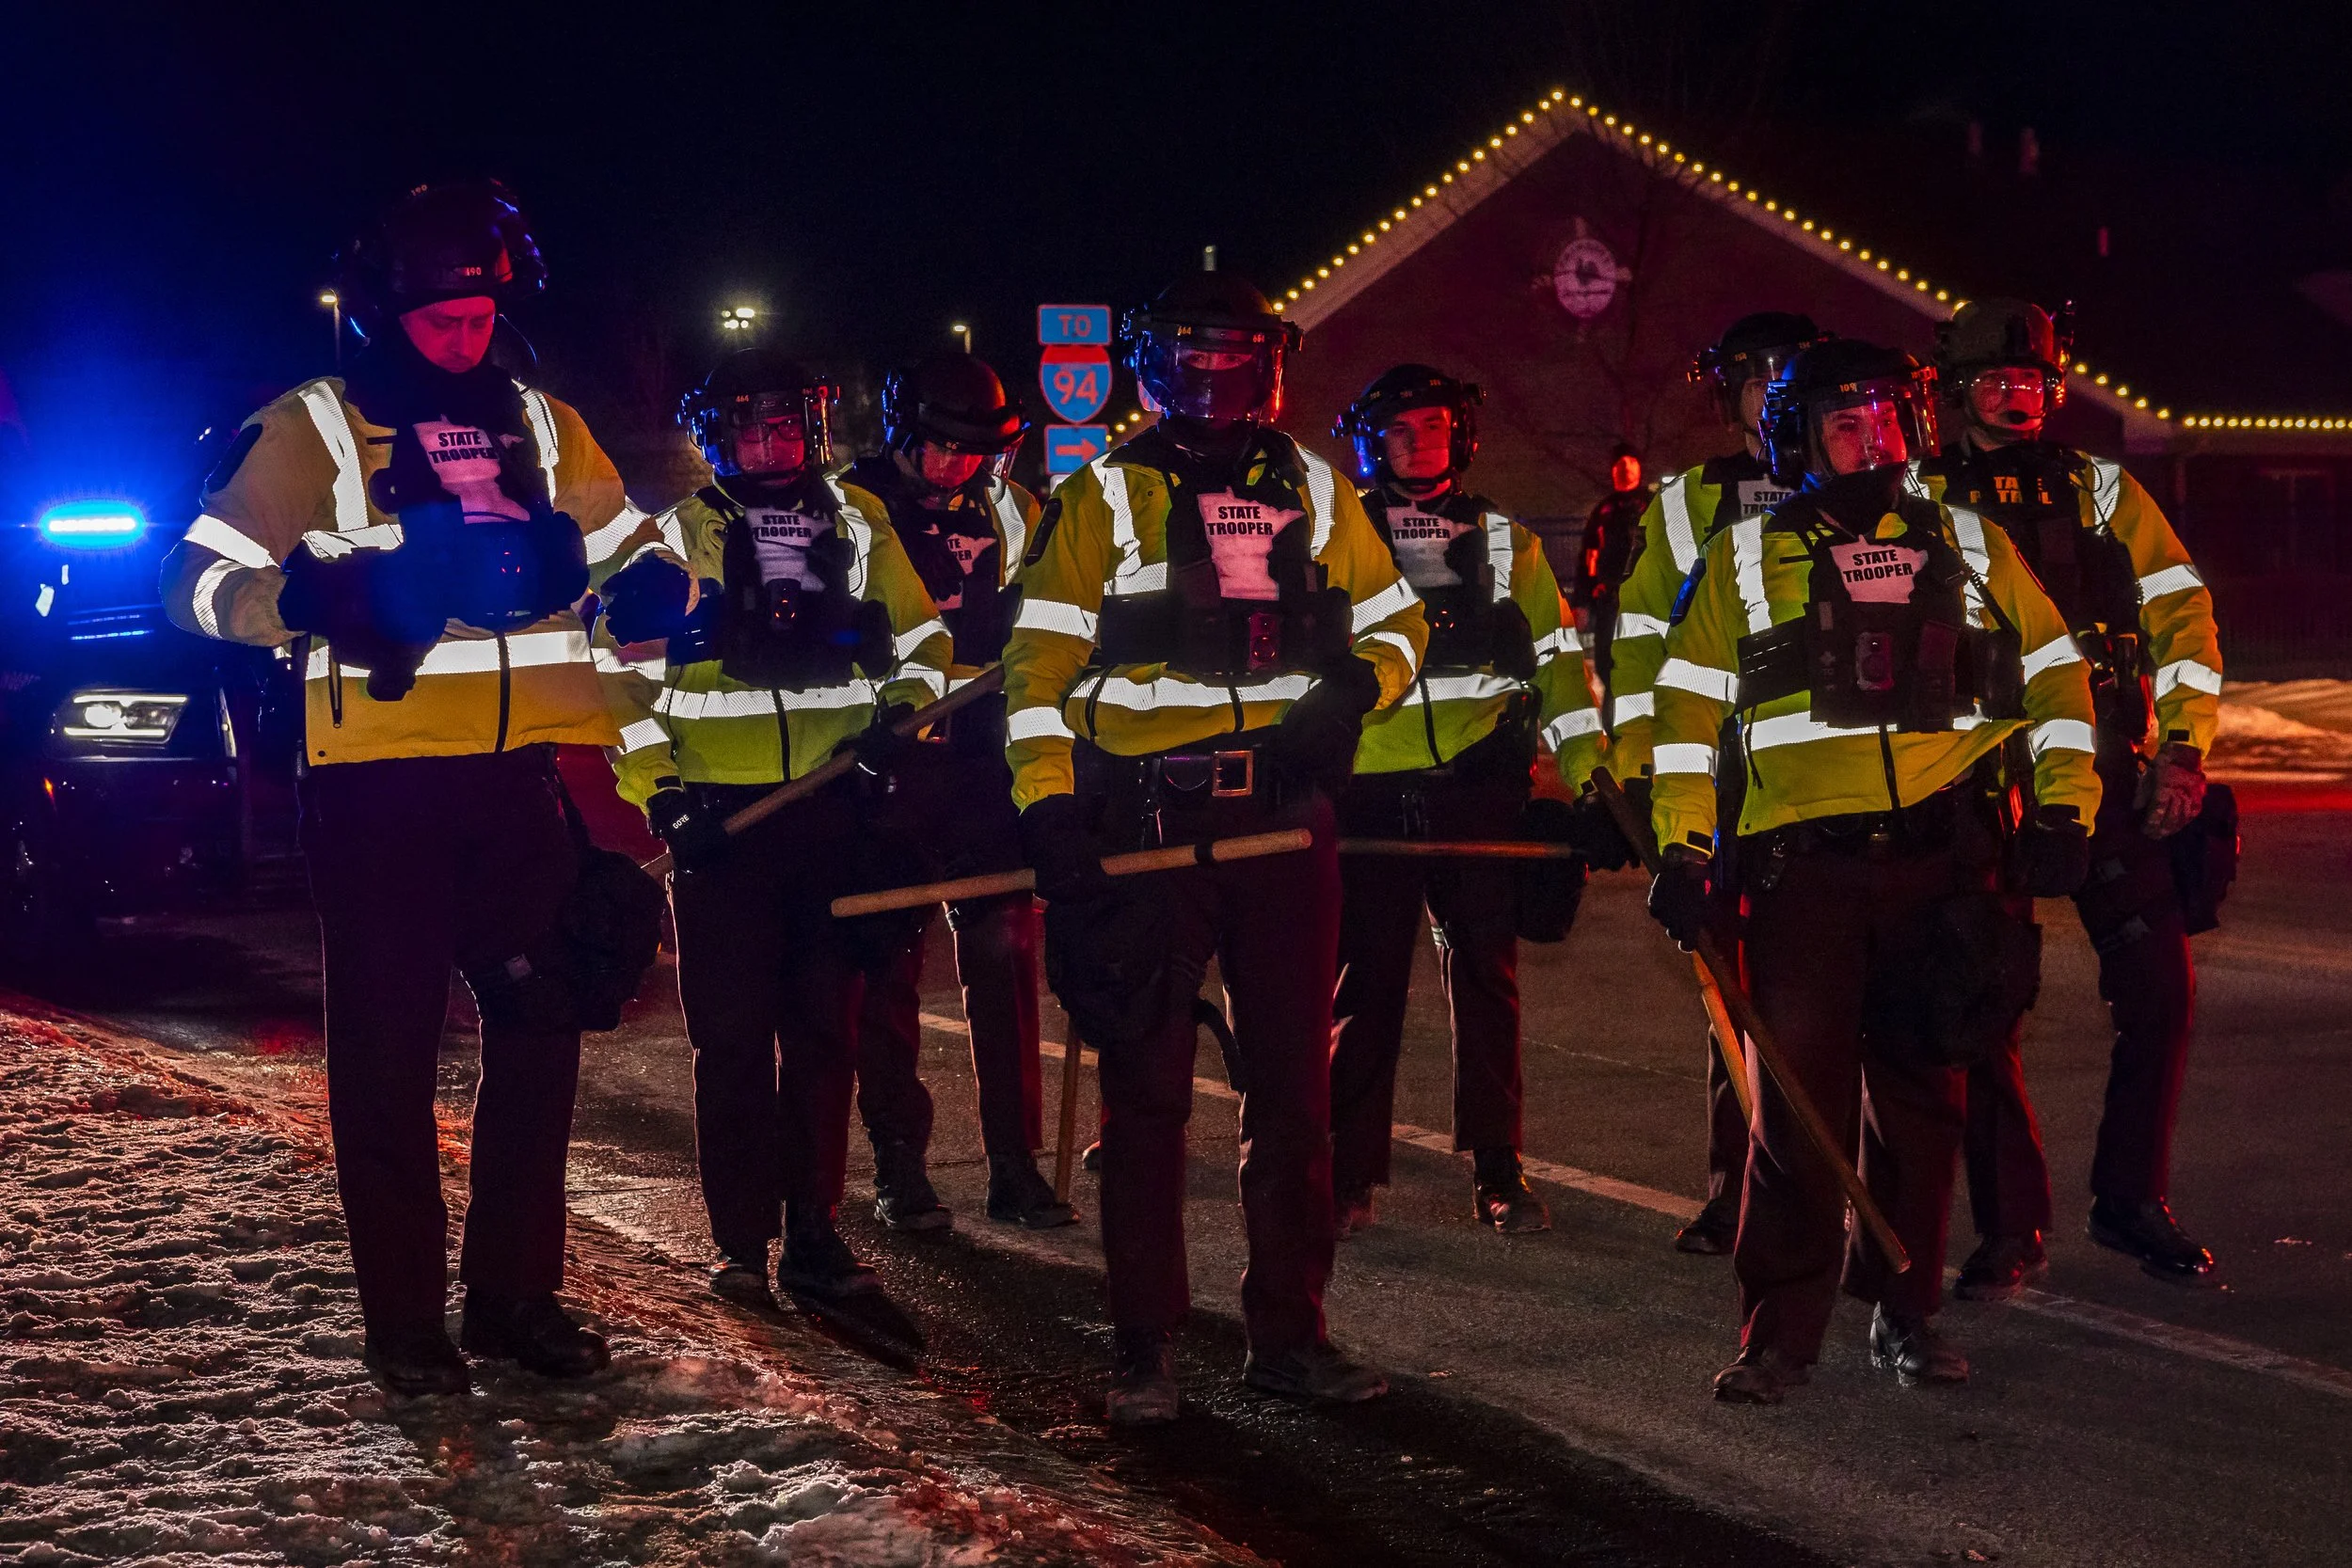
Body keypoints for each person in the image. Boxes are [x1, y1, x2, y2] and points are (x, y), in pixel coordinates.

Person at [161, 182, 674, 1396]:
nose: (464, 335)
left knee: (542, 1029)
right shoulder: (314, 431)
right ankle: (406, 1321)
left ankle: (513, 1296)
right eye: (440, 314)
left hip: (516, 784)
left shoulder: (545, 429)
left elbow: (632, 544)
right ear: (387, 310)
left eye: (483, 311)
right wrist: (309, 597)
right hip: (376, 794)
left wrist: (657, 590)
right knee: (385, 1064)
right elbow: (191, 577)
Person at [1001, 270, 1427, 1423]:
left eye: (1240, 355)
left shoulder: (1320, 489)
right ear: (1154, 368)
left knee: (1295, 1094)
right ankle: (1144, 1344)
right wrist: (1046, 806)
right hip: (1144, 820)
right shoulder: (1102, 497)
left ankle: (1288, 1333)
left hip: (1286, 823)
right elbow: (1035, 674)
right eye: (1195, 357)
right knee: (1144, 1100)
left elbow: (1398, 620)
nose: (1218, 376)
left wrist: (1355, 681)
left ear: (1270, 365)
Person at [1645, 339, 2100, 1402]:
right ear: (1797, 442)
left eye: (1886, 421)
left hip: (1946, 865)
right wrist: (1682, 844)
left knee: (1922, 1104)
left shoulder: (1970, 544)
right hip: (1802, 870)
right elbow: (1683, 714)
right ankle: (1778, 1334)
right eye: (1843, 425)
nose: (1870, 440)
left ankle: (1905, 1313)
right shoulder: (1747, 559)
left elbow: (2055, 676)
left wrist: (2066, 809)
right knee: (1795, 1108)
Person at [594, 348, 951, 1315]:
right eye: (753, 424)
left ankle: (816, 1233)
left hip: (833, 815)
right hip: (720, 829)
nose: (774, 440)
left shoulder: (860, 521)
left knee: (825, 1036)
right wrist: (661, 795)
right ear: (715, 436)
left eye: (789, 422)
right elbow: (616, 681)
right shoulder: (669, 543)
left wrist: (899, 721)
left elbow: (923, 645)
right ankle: (740, 1243)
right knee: (734, 1044)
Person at [1920, 299, 2226, 1292]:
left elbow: (2180, 610)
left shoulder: (2098, 486)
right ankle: (2011, 1226)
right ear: (1954, 391)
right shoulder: (1918, 493)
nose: (2016, 396)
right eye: (1994, 381)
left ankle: (2131, 1197)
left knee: (2159, 990)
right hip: (1982, 785)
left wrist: (2182, 749)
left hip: (2104, 772)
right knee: (1986, 1002)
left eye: (2031, 381)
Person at [1323, 364, 1605, 1234]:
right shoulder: (1339, 538)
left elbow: (1559, 664)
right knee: (1363, 985)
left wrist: (1590, 783)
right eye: (1403, 431)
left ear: (1465, 437)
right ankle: (1347, 1171)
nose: (1422, 445)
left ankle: (1497, 1167)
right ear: (1374, 443)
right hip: (1368, 789)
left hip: (1479, 788)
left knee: (1488, 977)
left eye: (1437, 429)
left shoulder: (1506, 541)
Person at [838, 352, 1075, 1232]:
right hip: (886, 762)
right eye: (941, 449)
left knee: (1006, 957)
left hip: (984, 762)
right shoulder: (848, 506)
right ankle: (902, 1166)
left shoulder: (1016, 510)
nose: (958, 468)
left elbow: (1056, 617)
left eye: (977, 453)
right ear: (902, 431)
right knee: (885, 970)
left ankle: (1014, 1165)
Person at [1612, 311, 1825, 1255]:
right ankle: (1732, 1186)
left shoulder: (1870, 489)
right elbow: (1638, 631)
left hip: (1833, 774)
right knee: (1726, 986)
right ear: (1728, 391)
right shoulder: (1691, 499)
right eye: (1757, 378)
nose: (1775, 392)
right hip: (1725, 768)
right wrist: (1636, 754)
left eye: (1793, 375)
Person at [1567, 440, 1648, 696]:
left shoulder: (1652, 504)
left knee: (1644, 662)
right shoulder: (1604, 510)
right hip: (1608, 599)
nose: (1625, 469)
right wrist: (1581, 601)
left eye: (1630, 463)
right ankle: (1615, 723)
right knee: (1605, 663)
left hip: (1645, 598)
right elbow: (1589, 556)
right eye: (1619, 464)